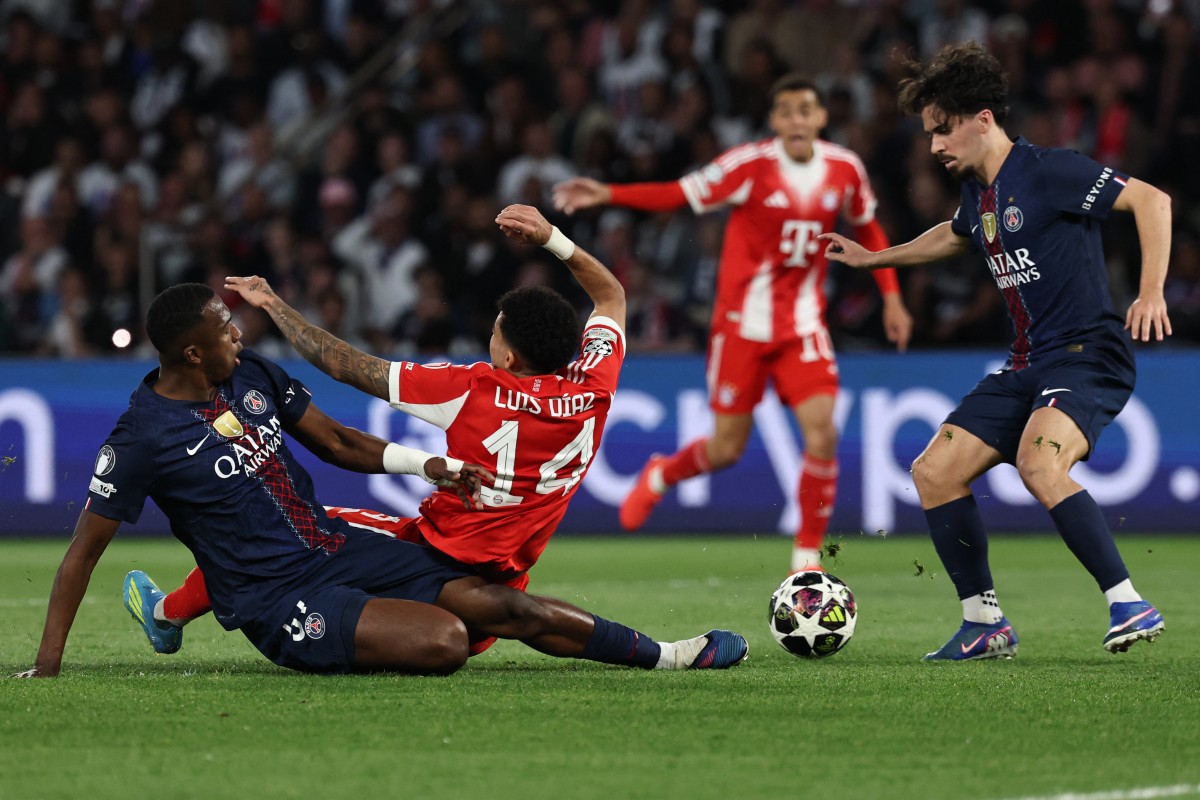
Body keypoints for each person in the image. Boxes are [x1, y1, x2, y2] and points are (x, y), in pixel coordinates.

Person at [19, 277, 747, 677]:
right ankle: (171, 613)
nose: (240, 336)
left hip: (332, 550)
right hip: (275, 599)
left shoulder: (253, 379)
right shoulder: (141, 438)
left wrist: (424, 463)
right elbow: (82, 551)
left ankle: (667, 656)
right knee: (446, 642)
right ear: (190, 354)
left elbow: (336, 441)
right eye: (225, 331)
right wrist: (47, 667)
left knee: (494, 607)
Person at [819, 42, 1171, 660]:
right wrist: (877, 258)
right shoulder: (981, 194)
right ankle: (984, 623)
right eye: (929, 133)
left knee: (1040, 464)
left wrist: (1149, 293)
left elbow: (1152, 201)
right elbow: (954, 238)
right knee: (934, 472)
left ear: (984, 118)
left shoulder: (1048, 171)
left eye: (943, 129)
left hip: (1088, 354)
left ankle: (1127, 601)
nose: (934, 145)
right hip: (1027, 364)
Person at [553, 74, 913, 574]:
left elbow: (867, 223)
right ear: (774, 121)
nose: (796, 120)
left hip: (803, 326)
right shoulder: (749, 166)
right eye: (786, 111)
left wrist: (891, 298)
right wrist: (607, 193)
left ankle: (806, 561)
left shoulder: (845, 169)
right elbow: (677, 194)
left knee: (823, 435)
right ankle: (662, 473)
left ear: (821, 118)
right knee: (726, 449)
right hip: (741, 328)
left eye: (806, 110)